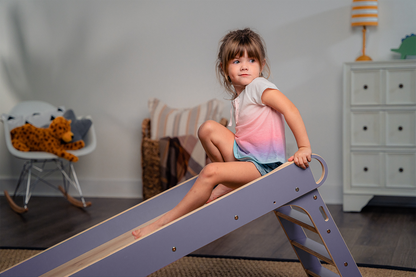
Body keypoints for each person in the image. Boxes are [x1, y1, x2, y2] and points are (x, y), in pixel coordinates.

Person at [132, 28, 311, 239]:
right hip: (245, 157)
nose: (244, 66)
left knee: (209, 171)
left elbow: (290, 109)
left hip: (265, 167)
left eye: (251, 60)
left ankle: (163, 222)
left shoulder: (258, 86)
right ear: (224, 69)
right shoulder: (239, 99)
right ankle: (227, 180)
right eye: (236, 61)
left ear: (261, 65)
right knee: (207, 128)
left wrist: (303, 147)